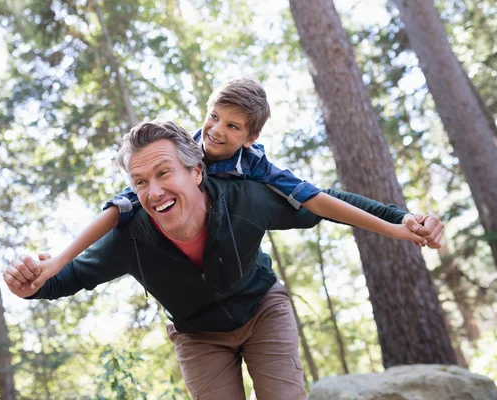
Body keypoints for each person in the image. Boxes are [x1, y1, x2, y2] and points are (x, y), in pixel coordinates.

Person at [4, 121, 443, 399]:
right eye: (140, 182)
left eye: (163, 174)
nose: (153, 192)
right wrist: (33, 284)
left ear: (195, 171)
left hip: (262, 310)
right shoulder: (128, 236)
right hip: (198, 336)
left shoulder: (245, 199)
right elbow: (72, 275)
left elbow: (325, 201)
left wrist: (401, 218)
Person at [23, 78, 443, 290]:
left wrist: (395, 225)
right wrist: (58, 262)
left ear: (251, 137)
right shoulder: (177, 153)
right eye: (213, 117)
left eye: (232, 125)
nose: (216, 131)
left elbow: (319, 200)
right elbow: (121, 206)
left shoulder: (257, 169)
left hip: (241, 271)